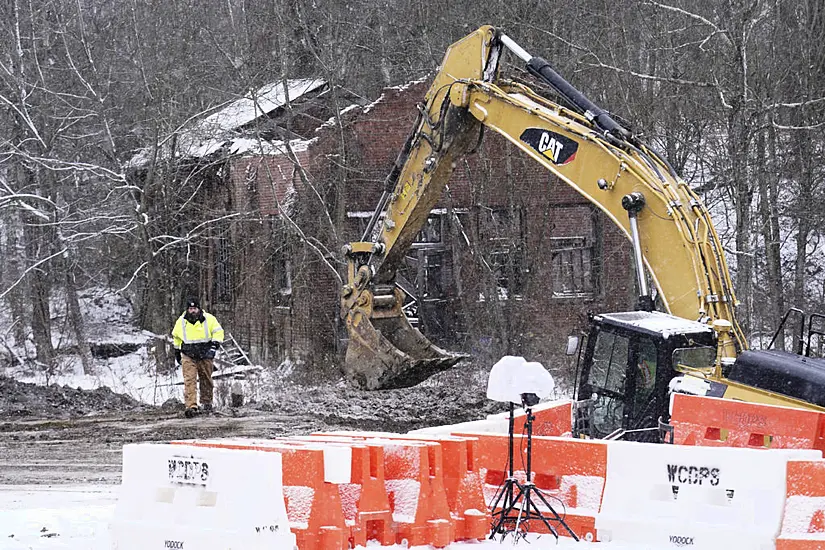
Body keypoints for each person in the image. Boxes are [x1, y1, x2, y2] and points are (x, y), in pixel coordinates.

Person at [171, 297, 224, 417]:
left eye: (195, 308)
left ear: (199, 309)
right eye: (190, 309)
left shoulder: (209, 319)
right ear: (187, 309)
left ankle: (206, 403)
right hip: (188, 354)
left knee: (206, 379)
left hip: (205, 353)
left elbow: (218, 332)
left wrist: (214, 346)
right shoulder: (181, 322)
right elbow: (176, 337)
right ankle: (191, 406)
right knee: (189, 380)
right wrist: (177, 351)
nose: (193, 311)